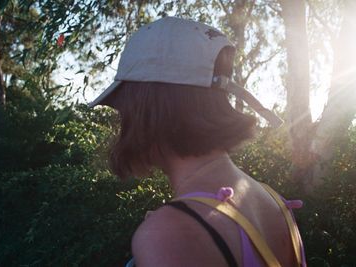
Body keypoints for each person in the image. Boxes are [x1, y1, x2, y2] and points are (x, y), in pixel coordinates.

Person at [89, 17, 306, 267]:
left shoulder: (166, 236)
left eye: (123, 108)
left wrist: (169, 230)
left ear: (147, 109)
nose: (122, 121)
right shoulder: (273, 202)